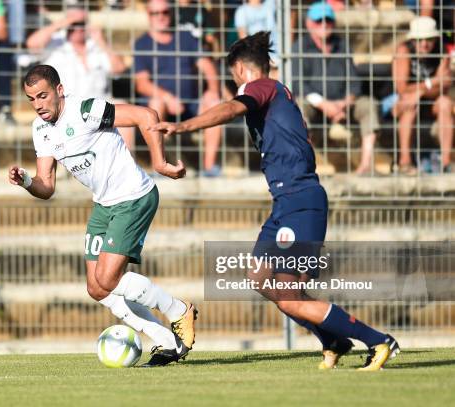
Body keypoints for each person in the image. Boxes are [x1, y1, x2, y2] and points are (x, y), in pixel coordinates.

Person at [151, 32, 400, 371]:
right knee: (260, 277)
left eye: (234, 75)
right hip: (286, 201)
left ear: (240, 69)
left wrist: (183, 126)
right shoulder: (278, 93)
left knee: (289, 296)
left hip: (300, 199)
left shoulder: (261, 86)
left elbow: (231, 108)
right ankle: (334, 339)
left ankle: (378, 340)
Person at [9, 64, 197, 367]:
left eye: (43, 96)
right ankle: (167, 342)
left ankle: (178, 310)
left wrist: (160, 163)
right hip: (104, 205)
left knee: (108, 279)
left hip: (134, 196)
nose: (38, 105)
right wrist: (26, 181)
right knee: (97, 288)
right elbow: (47, 187)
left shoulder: (86, 110)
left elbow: (145, 116)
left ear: (59, 90)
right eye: (31, 99)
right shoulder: (40, 129)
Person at [134, 0, 222, 177]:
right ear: (148, 15)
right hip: (161, 106)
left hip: (191, 104)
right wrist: (167, 98)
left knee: (214, 102)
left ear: (171, 13)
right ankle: (159, 166)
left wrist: (212, 89)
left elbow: (208, 67)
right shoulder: (142, 43)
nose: (161, 17)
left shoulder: (186, 37)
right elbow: (142, 84)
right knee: (155, 105)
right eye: (155, 13)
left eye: (165, 12)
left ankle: (209, 168)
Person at [25, 8, 134, 149]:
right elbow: (32, 44)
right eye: (74, 24)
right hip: (68, 108)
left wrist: (101, 41)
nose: (78, 28)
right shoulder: (55, 43)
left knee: (124, 110)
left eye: (82, 23)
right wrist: (62, 24)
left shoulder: (96, 45)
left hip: (100, 105)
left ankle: (126, 167)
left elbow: (119, 68)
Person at [292, 2, 381, 174]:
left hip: (343, 104)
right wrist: (325, 105)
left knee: (369, 105)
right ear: (309, 23)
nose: (324, 24)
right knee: (299, 108)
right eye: (319, 21)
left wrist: (342, 104)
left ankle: (366, 166)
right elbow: (298, 84)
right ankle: (304, 167)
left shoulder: (342, 45)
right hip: (315, 104)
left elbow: (354, 82)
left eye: (328, 20)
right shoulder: (299, 47)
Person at [392, 16, 452, 174]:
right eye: (419, 40)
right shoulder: (403, 50)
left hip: (431, 102)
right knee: (408, 103)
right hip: (400, 103)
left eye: (429, 39)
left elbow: (444, 86)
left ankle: (446, 162)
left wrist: (418, 92)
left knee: (445, 102)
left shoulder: (442, 51)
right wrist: (430, 83)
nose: (424, 44)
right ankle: (405, 162)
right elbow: (402, 88)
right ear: (412, 40)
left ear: (435, 39)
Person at [234, 0, 279, 65]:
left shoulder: (269, 6)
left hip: (275, 53)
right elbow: (243, 37)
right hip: (257, 55)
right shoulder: (241, 11)